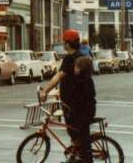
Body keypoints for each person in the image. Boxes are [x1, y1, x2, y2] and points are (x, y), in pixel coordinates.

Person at [40, 29, 84, 162]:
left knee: (73, 129)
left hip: (72, 101)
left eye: (64, 41)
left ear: (68, 44)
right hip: (80, 100)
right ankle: (77, 154)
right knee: (76, 130)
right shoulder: (81, 55)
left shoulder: (70, 58)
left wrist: (45, 90)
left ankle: (79, 156)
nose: (63, 44)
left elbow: (59, 76)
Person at [70, 56, 97, 163]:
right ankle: (81, 156)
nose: (74, 69)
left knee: (83, 139)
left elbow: (79, 98)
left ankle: (85, 159)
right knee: (82, 136)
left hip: (83, 113)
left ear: (81, 68)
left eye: (76, 67)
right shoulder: (88, 79)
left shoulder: (80, 81)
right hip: (88, 111)